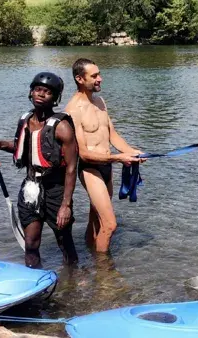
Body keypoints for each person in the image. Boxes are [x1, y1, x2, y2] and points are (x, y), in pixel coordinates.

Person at [0, 72, 78, 268]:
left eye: (47, 92)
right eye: (37, 90)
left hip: (56, 190)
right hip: (31, 188)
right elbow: (22, 148)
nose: (41, 94)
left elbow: (71, 168)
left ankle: (73, 279)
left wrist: (65, 205)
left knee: (64, 241)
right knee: (31, 242)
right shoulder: (25, 120)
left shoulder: (62, 127)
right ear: (31, 92)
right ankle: (34, 280)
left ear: (55, 98)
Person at [64, 58, 144, 253]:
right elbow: (83, 154)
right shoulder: (73, 111)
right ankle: (104, 275)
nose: (100, 78)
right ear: (79, 79)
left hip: (106, 165)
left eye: (99, 74)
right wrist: (118, 158)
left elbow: (112, 135)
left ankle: (90, 254)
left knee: (96, 217)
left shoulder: (100, 101)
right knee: (110, 225)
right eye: (94, 76)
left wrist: (132, 152)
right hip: (90, 168)